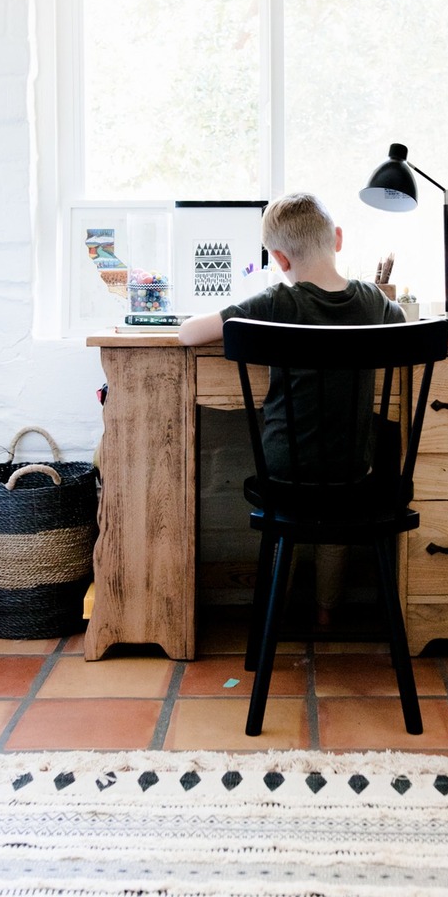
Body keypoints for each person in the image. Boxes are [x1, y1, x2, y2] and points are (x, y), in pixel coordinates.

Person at [179, 192, 404, 625]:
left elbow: (190, 334)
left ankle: (273, 616)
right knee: (339, 505)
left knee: (288, 512)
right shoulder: (374, 301)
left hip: (284, 473)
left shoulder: (274, 303)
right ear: (337, 239)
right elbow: (408, 328)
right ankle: (326, 612)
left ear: (280, 260)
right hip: (354, 474)